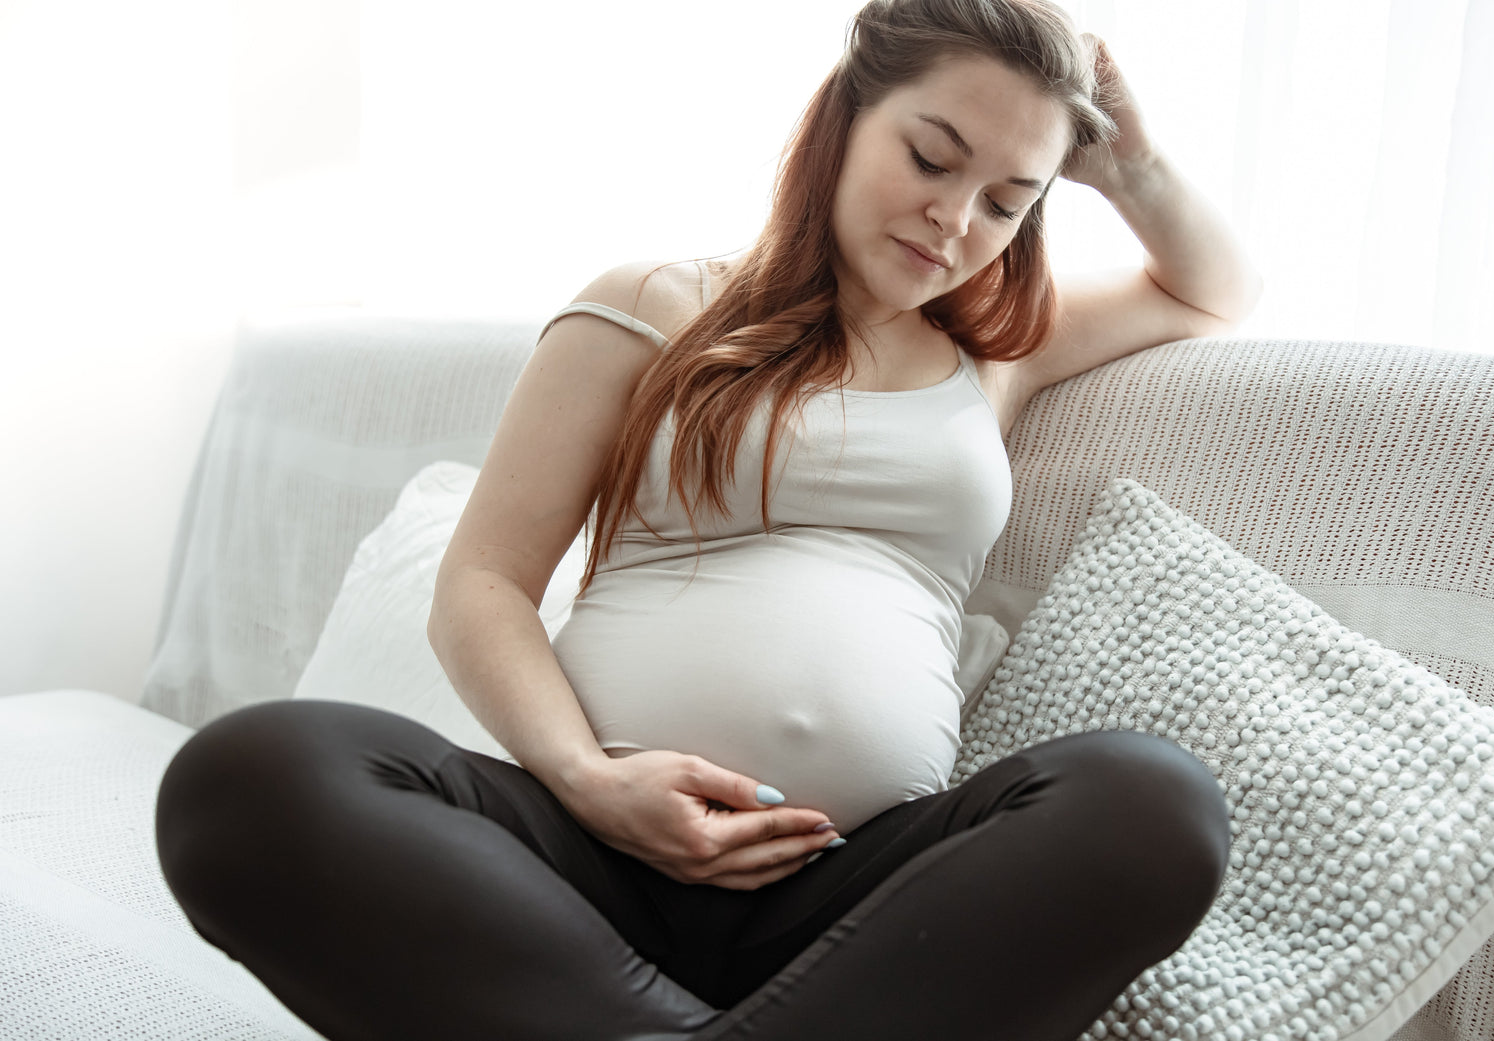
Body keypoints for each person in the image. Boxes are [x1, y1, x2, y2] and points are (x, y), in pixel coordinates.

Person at [155, 1, 1262, 1038]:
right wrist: (593, 781)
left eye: (1008, 200)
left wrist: (1134, 166)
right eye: (930, 156)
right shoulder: (652, 305)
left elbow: (1213, 289)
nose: (955, 218)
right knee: (247, 777)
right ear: (843, 117)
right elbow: (483, 581)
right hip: (579, 865)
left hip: (856, 901)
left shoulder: (992, 355)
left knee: (1154, 803)